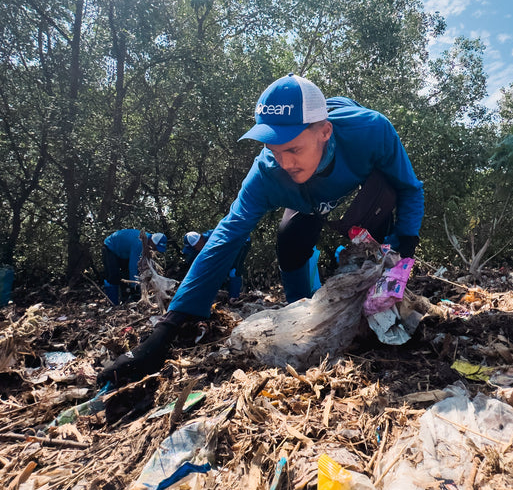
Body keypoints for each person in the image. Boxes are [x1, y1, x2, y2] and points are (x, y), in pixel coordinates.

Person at [98, 74, 423, 385]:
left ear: (324, 131)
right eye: (272, 148)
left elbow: (410, 188)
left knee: (387, 206)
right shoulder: (267, 173)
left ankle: (382, 302)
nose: (284, 162)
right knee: (290, 240)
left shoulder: (370, 130)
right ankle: (302, 304)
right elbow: (226, 238)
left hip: (364, 196)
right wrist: (165, 331)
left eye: (293, 148)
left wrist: (403, 257)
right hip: (309, 202)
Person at [102, 228, 168, 304]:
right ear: (152, 242)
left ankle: (125, 299)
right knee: (113, 276)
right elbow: (133, 266)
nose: (155, 249)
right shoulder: (139, 243)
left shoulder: (147, 242)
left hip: (124, 252)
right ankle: (113, 303)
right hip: (110, 247)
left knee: (125, 275)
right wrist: (134, 286)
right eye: (155, 247)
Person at [182, 230, 251, 299]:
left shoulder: (215, 240)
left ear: (199, 241)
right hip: (228, 246)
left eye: (194, 248)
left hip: (242, 242)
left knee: (233, 270)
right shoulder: (199, 246)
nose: (195, 250)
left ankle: (234, 297)